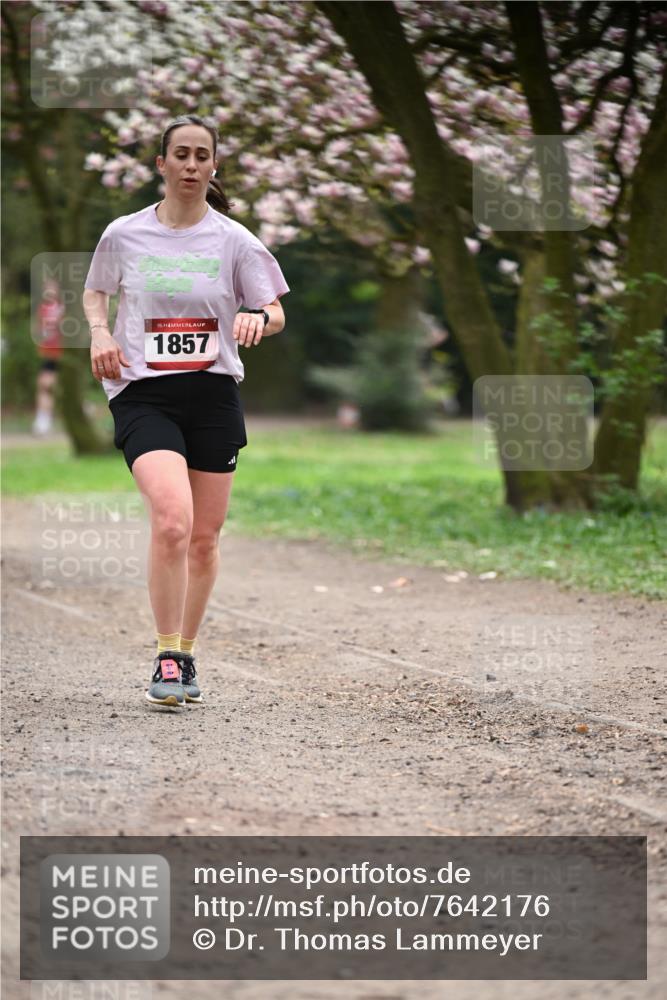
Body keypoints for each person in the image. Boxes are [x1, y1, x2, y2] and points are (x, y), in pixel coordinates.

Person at [82, 114, 289, 710]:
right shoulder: (124, 233)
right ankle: (167, 656)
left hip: (212, 392)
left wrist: (258, 318)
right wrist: (100, 332)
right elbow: (96, 289)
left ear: (213, 165)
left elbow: (275, 310)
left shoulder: (235, 240)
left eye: (202, 155)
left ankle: (189, 651)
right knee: (173, 519)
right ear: (162, 164)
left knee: (203, 538)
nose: (192, 164)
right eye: (181, 154)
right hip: (143, 392)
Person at [33, 278, 65, 435]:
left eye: (52, 288)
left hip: (61, 354)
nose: (49, 291)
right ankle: (43, 420)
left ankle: (44, 420)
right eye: (46, 288)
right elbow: (40, 331)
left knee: (48, 385)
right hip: (49, 354)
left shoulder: (63, 308)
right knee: (45, 385)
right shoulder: (42, 309)